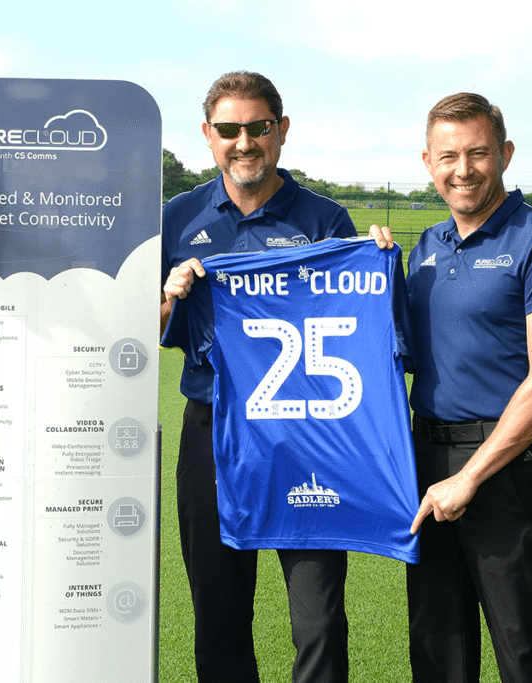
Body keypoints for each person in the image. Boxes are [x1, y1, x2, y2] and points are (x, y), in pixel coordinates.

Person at [372, 93, 532, 682]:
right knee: (437, 649)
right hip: (426, 460)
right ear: (427, 161)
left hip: (505, 466)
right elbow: (405, 358)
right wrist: (371, 274)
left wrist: (468, 477)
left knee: (523, 651)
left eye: (478, 153)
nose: (462, 169)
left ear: (505, 154)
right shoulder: (424, 249)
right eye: (448, 156)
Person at [161, 71, 358, 683]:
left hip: (307, 440)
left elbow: (358, 319)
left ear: (281, 131)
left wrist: (372, 261)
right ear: (208, 135)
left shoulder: (326, 219)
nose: (243, 141)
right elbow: (139, 328)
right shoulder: (178, 216)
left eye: (258, 127)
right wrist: (168, 296)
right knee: (218, 617)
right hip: (212, 434)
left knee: (318, 619)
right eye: (228, 129)